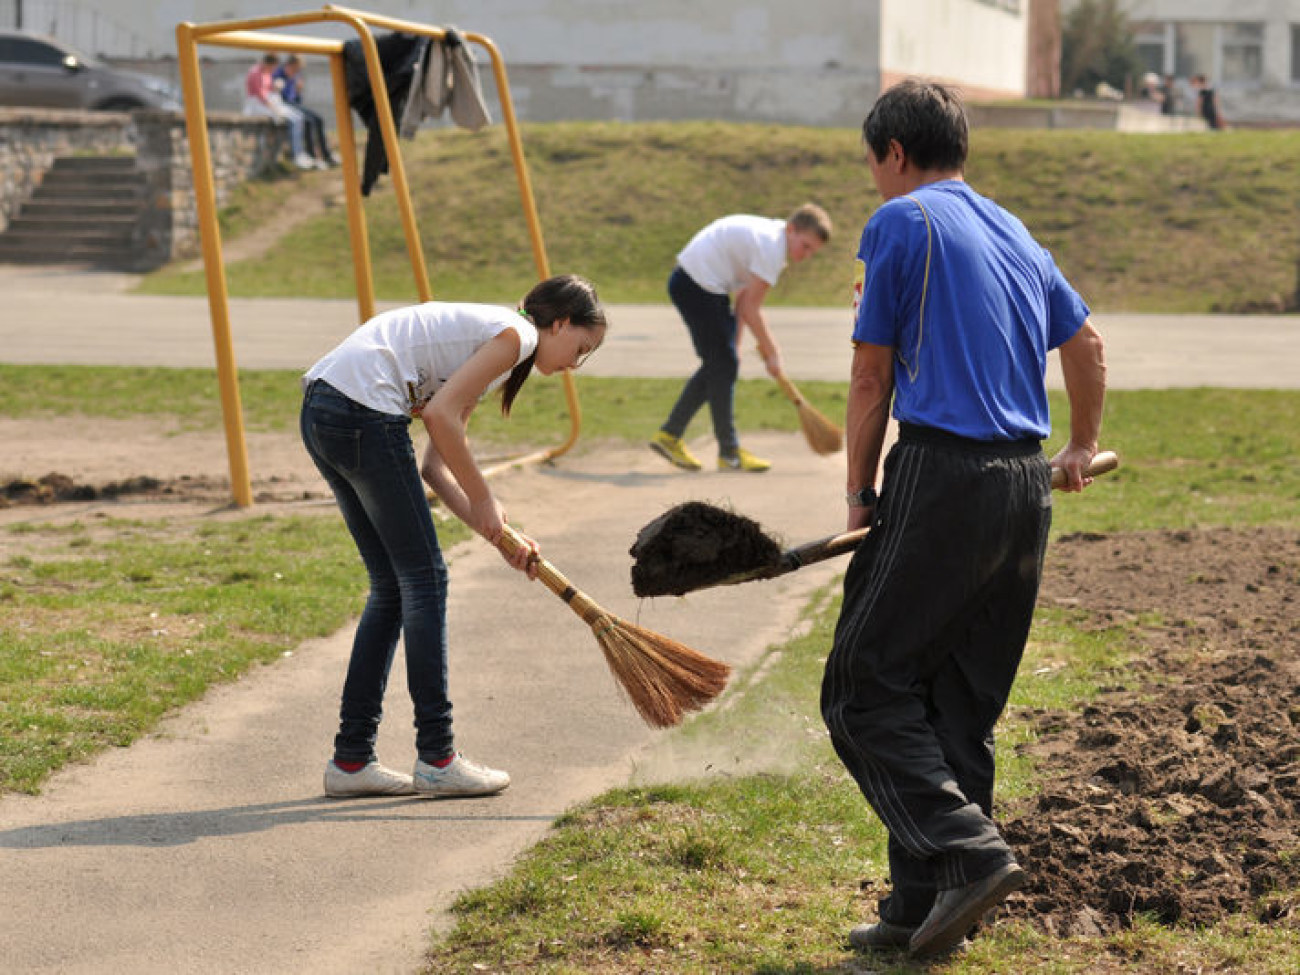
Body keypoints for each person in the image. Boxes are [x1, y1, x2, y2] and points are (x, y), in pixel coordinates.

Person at [821, 80, 1106, 960]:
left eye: (874, 165)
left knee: (861, 688)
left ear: (894, 154)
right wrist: (1080, 448)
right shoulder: (1018, 230)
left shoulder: (902, 223)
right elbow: (1087, 346)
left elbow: (871, 379)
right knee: (957, 706)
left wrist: (861, 494)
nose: (875, 181)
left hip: (943, 473)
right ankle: (921, 911)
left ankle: (970, 854)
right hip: (1024, 485)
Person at [301, 275, 608, 799]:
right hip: (359, 411)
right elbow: (441, 418)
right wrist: (487, 500)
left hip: (325, 409)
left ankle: (351, 762)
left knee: (395, 589)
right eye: (579, 348)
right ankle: (438, 757)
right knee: (425, 582)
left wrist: (499, 535)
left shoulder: (490, 349)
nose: (573, 365)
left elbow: (434, 468)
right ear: (558, 324)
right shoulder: (516, 337)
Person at [649, 204, 832, 473]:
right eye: (805, 246)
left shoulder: (772, 239)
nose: (805, 255)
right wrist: (772, 352)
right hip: (697, 285)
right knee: (721, 366)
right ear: (791, 229)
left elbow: (745, 297)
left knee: (721, 365)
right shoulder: (772, 247)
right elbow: (750, 308)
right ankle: (726, 452)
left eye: (812, 252)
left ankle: (676, 437)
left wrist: (735, 341)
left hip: (698, 284)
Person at [243, 53, 315, 171]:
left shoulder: (267, 72)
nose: (274, 70)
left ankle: (300, 152)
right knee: (291, 118)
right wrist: (271, 104)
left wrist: (277, 89)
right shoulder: (256, 72)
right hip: (258, 104)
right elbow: (259, 92)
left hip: (269, 101)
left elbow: (270, 89)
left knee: (299, 117)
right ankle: (295, 154)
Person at [273, 54, 339, 168]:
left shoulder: (295, 75)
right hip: (285, 104)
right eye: (296, 68)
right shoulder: (278, 74)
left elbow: (297, 99)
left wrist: (298, 91)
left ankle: (326, 155)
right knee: (308, 121)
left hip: (294, 103)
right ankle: (312, 156)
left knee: (318, 119)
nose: (297, 71)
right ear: (290, 65)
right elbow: (278, 97)